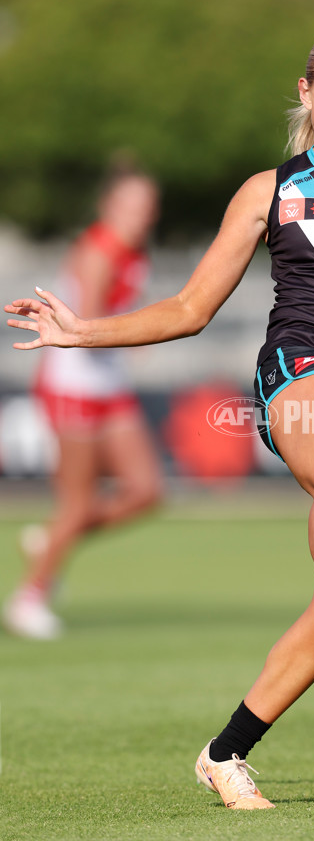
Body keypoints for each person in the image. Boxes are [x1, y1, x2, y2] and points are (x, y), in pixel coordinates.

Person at [5, 30, 314, 807]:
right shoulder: (265, 190)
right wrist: (81, 330)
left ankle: (225, 750)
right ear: (306, 92)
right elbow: (189, 307)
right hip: (299, 367)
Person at [2, 169, 163, 640]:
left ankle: (48, 541)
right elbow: (85, 327)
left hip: (108, 384)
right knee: (77, 502)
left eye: (148, 206)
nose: (142, 215)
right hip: (73, 385)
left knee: (145, 490)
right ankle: (29, 597)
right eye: (133, 204)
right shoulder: (98, 250)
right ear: (108, 205)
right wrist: (140, 338)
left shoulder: (134, 252)